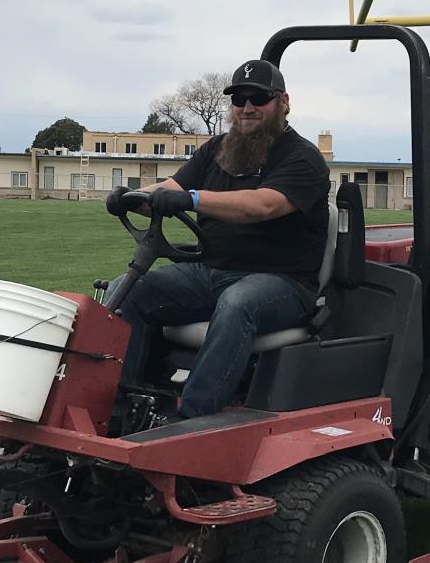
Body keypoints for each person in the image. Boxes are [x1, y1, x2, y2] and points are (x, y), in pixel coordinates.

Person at [106, 59, 330, 419]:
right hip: (211, 272)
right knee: (128, 289)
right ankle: (119, 408)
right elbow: (170, 189)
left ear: (283, 102)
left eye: (259, 98)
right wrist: (132, 197)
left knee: (238, 302)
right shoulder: (218, 150)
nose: (248, 108)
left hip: (283, 283)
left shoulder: (303, 158)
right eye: (239, 99)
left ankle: (192, 419)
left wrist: (193, 199)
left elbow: (262, 205)